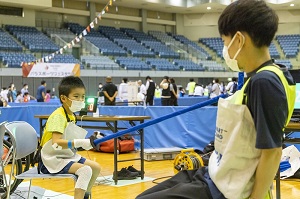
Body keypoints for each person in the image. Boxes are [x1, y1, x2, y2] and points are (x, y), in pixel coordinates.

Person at [136, 1, 295, 199]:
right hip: (216, 173)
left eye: (225, 41)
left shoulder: (265, 82)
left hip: (228, 188)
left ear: (239, 39)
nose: (225, 49)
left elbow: (272, 152)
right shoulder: (267, 75)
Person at [39, 76, 101, 199]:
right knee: (85, 170)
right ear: (63, 98)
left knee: (95, 167)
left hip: (65, 155)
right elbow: (56, 143)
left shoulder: (71, 115)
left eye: (83, 96)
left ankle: (85, 196)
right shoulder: (58, 116)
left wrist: (86, 142)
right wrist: (79, 142)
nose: (81, 100)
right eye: (76, 96)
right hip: (50, 160)